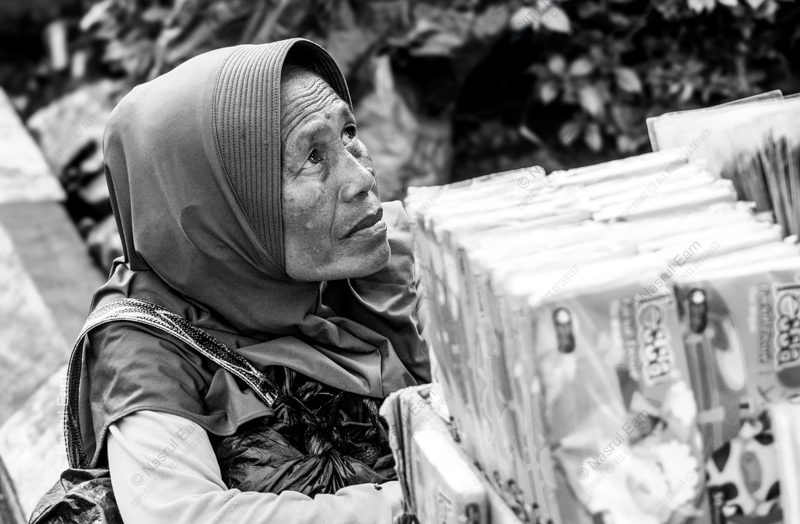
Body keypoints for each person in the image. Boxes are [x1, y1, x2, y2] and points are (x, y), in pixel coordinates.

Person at [68, 38, 430, 523]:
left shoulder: (375, 257)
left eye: (347, 133)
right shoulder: (144, 348)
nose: (362, 176)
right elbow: (184, 517)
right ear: (222, 209)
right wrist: (423, 497)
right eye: (314, 158)